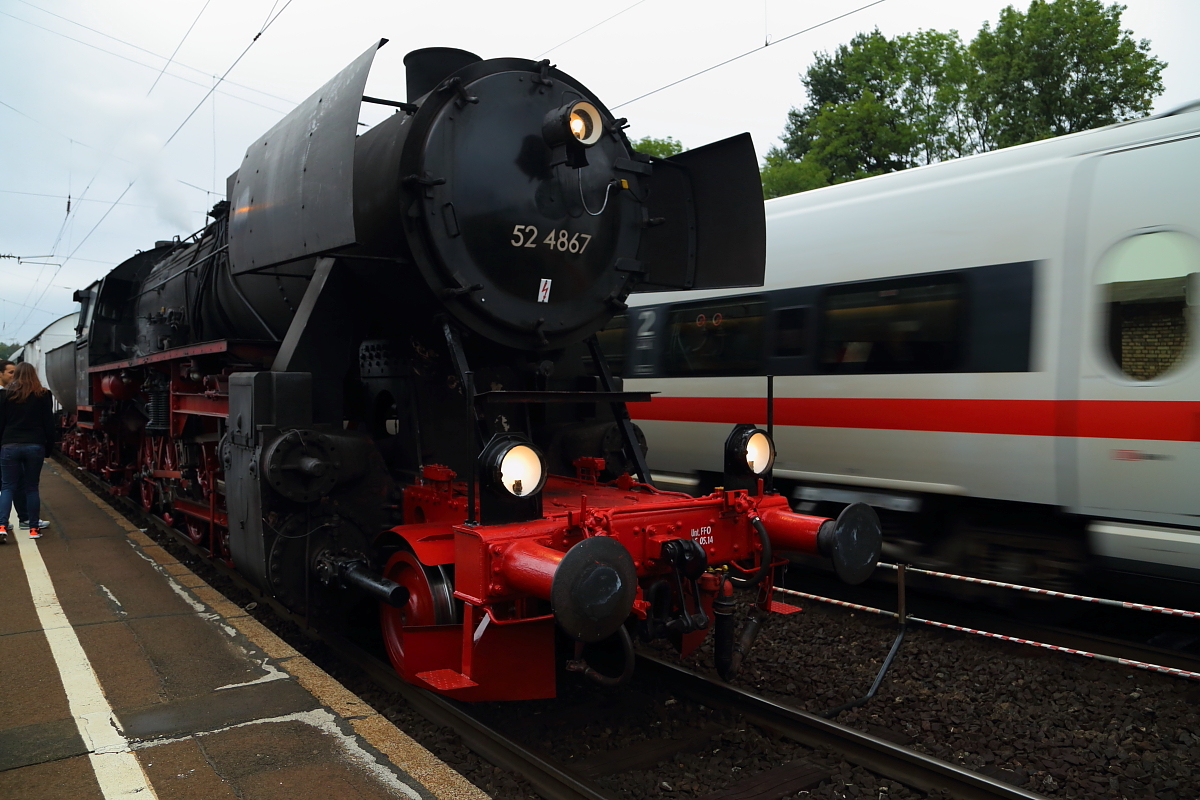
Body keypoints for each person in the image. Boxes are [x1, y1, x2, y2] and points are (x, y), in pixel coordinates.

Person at [0, 363, 58, 542]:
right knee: (31, 487)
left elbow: (1, 423)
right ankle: (33, 529)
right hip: (35, 445)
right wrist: (49, 448)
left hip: (9, 445)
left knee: (7, 486)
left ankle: (1, 527)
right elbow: (49, 424)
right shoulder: (43, 394)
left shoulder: (5, 394)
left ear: (16, 374)